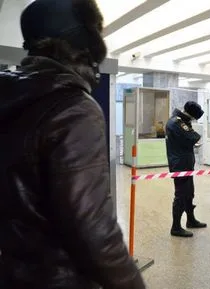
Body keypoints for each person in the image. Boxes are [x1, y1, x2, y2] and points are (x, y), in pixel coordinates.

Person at [0, 1, 146, 288]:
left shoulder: (12, 98)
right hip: (62, 278)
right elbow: (93, 230)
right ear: (86, 45)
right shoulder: (74, 109)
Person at [166, 102, 207, 237]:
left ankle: (191, 220)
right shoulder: (176, 122)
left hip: (186, 164)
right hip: (180, 165)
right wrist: (192, 139)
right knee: (181, 195)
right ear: (189, 114)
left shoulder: (181, 121)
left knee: (189, 194)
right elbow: (192, 136)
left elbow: (185, 140)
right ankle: (176, 227)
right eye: (194, 118)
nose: (193, 121)